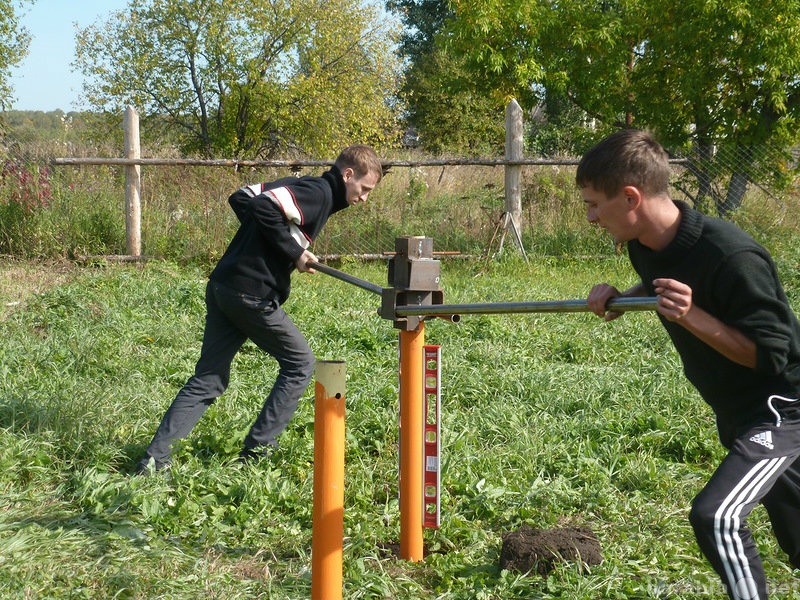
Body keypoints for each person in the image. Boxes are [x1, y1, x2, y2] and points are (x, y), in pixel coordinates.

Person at [580, 129, 800, 599]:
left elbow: (773, 356)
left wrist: (692, 316)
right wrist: (625, 299)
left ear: (631, 196)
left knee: (716, 516)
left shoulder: (733, 255)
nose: (592, 217)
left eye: (594, 204)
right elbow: (664, 285)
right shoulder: (647, 243)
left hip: (785, 411)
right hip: (740, 414)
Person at [137, 144, 383, 474]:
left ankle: (153, 460)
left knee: (208, 380)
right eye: (364, 189)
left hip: (224, 286)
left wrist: (266, 241)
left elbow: (242, 196)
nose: (364, 198)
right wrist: (293, 250)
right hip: (251, 295)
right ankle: (258, 450)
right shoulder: (320, 193)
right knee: (300, 362)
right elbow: (264, 205)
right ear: (348, 175)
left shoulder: (304, 186)